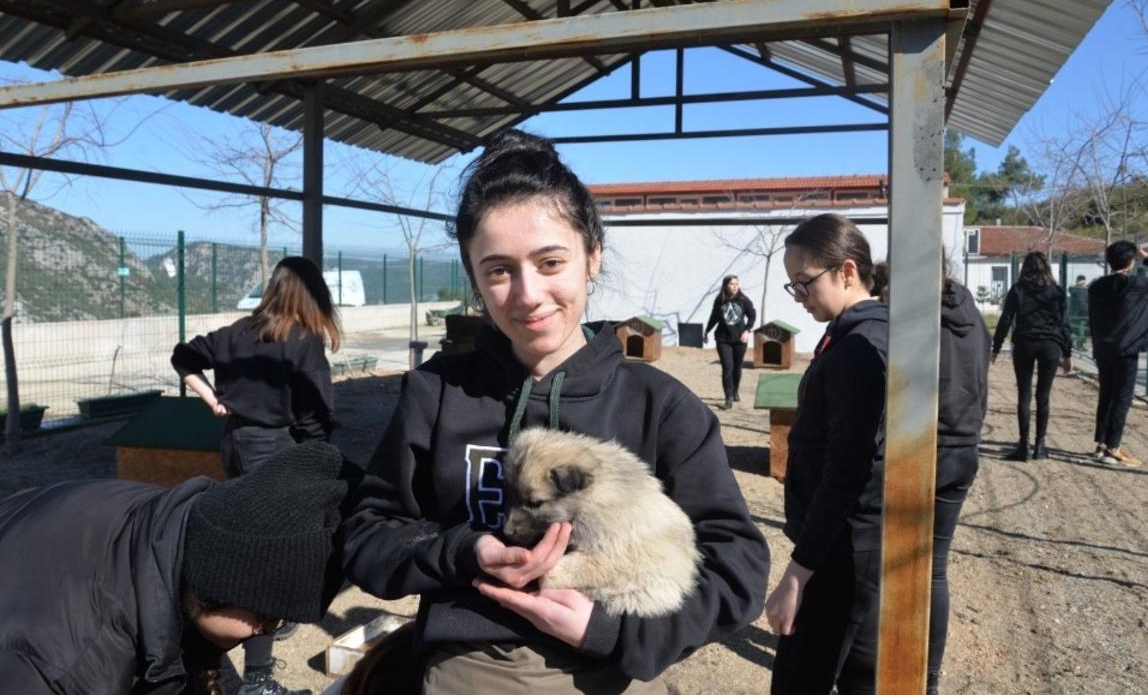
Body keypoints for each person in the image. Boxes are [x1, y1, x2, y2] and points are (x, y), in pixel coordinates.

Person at [341, 130, 769, 693]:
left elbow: (736, 567)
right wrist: (465, 549)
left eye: (550, 262)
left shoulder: (661, 406)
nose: (527, 294)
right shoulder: (436, 393)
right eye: (497, 270)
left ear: (593, 255)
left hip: (616, 668)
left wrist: (609, 631)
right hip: (476, 663)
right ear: (473, 278)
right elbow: (368, 536)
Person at [0, 441, 351, 695]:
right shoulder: (69, 668)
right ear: (214, 588)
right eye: (265, 621)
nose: (267, 634)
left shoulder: (170, 530)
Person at [172, 255, 342, 693]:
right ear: (313, 295)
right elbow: (316, 418)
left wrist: (211, 399)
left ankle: (260, 629)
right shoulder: (302, 341)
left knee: (254, 542)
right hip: (275, 447)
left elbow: (182, 357)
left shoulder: (234, 333)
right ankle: (258, 679)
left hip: (234, 443)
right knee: (268, 556)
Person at [840, 259, 990, 694]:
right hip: (964, 449)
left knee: (884, 563)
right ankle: (929, 679)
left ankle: (875, 665)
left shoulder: (909, 322)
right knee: (935, 570)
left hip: (920, 453)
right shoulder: (969, 311)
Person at [764, 213, 888, 695]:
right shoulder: (856, 332)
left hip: (841, 548)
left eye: (805, 283)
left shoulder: (860, 347)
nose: (799, 296)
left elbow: (848, 469)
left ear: (849, 272)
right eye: (792, 285)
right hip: (849, 541)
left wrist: (798, 572)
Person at [1088, 242, 1148, 468]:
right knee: (1122, 399)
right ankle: (1113, 447)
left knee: (1106, 395)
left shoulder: (1096, 287)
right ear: (1130, 260)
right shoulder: (1135, 284)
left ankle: (1101, 444)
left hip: (1104, 349)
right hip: (1127, 349)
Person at [990, 252, 1072, 461]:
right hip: (1051, 345)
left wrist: (996, 348)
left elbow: (1006, 319)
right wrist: (1067, 353)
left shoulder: (1018, 290)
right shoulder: (1057, 292)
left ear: (1024, 268)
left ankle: (1023, 445)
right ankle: (1040, 446)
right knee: (1043, 396)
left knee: (1024, 395)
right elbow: (1064, 324)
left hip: (1025, 343)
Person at [704, 274, 757, 409]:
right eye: (732, 284)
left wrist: (747, 330)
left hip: (740, 340)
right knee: (727, 368)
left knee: (737, 368)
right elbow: (714, 317)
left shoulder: (743, 300)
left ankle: (735, 390)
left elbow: (752, 315)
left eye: (737, 284)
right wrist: (707, 331)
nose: (735, 286)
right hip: (723, 340)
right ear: (725, 285)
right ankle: (728, 399)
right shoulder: (719, 300)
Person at [1069, 274, 1090, 350]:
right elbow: (1071, 290)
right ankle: (1075, 344)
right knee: (1076, 330)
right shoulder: (1075, 289)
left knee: (1081, 330)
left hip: (1081, 313)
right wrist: (1080, 286)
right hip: (1077, 313)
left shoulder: (1086, 290)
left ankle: (1079, 345)